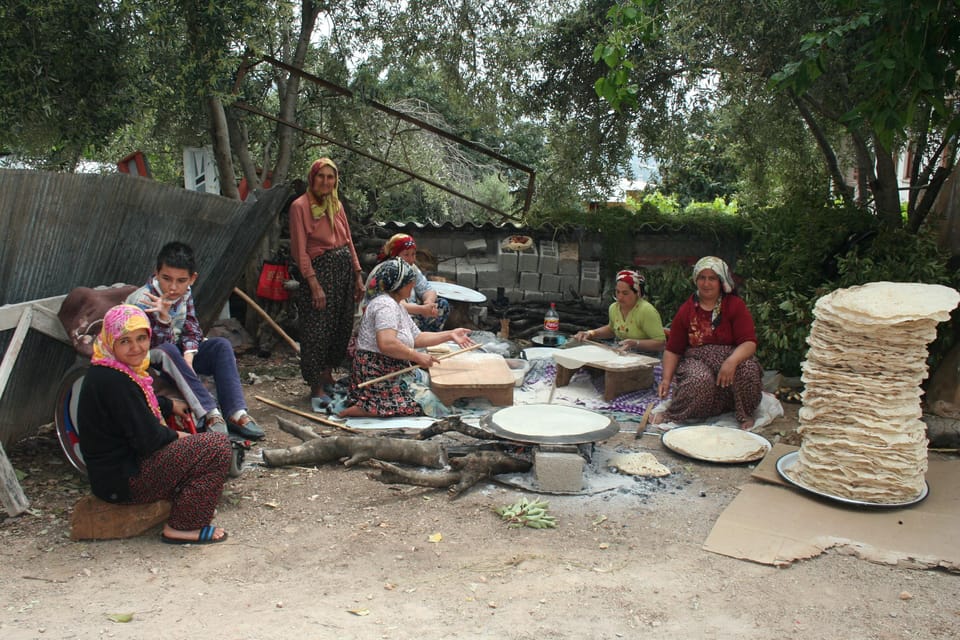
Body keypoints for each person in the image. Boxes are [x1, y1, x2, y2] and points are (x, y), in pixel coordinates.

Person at [77, 304, 232, 544]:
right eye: (125, 341)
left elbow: (133, 408)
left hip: (115, 474)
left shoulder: (111, 370)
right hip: (123, 481)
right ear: (111, 341)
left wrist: (168, 406)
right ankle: (183, 527)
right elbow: (149, 440)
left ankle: (186, 506)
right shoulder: (113, 381)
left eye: (141, 338)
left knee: (204, 446)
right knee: (217, 447)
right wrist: (182, 438)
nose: (136, 347)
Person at [126, 241, 264, 440]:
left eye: (181, 280)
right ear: (156, 272)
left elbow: (191, 328)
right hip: (147, 356)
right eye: (166, 279)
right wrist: (164, 319)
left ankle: (236, 412)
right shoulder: (143, 300)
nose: (173, 287)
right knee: (168, 350)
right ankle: (209, 413)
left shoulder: (185, 293)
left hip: (175, 354)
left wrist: (189, 358)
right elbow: (147, 345)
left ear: (192, 279)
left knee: (221, 346)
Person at [340, 258, 473, 418]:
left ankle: (372, 402)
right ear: (400, 284)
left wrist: (450, 334)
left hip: (393, 367)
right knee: (431, 405)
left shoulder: (396, 305)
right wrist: (417, 356)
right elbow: (387, 344)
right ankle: (369, 406)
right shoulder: (385, 306)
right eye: (410, 282)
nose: (413, 285)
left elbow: (417, 338)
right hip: (377, 372)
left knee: (438, 388)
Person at [289, 158, 365, 409]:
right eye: (321, 176)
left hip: (342, 271)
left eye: (330, 177)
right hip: (320, 271)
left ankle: (327, 374)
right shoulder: (300, 207)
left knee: (340, 325)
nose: (325, 182)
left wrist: (357, 274)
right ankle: (316, 385)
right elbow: (300, 252)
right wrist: (313, 284)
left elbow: (348, 242)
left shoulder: (336, 204)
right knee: (316, 330)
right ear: (312, 179)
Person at [654, 256, 763, 429]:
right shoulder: (686, 310)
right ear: (696, 280)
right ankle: (675, 412)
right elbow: (673, 349)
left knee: (748, 370)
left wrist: (731, 361)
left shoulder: (735, 306)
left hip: (730, 359)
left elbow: (749, 342)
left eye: (712, 278)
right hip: (697, 361)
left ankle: (744, 413)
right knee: (700, 380)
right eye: (702, 278)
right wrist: (666, 380)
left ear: (721, 281)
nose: (706, 284)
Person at [573, 269, 666, 354]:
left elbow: (661, 343)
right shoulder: (614, 308)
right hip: (622, 353)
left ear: (637, 293)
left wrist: (636, 343)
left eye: (625, 293)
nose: (620, 297)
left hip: (646, 357)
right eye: (617, 292)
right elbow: (612, 329)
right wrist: (590, 333)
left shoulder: (646, 311)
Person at [369, 233, 449, 331]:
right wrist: (422, 310)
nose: (411, 259)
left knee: (442, 305)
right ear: (394, 254)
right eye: (406, 255)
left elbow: (427, 289)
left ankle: (426, 339)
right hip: (390, 317)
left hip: (413, 312)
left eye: (413, 254)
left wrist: (428, 303)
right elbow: (395, 304)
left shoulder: (411, 268)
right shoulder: (388, 271)